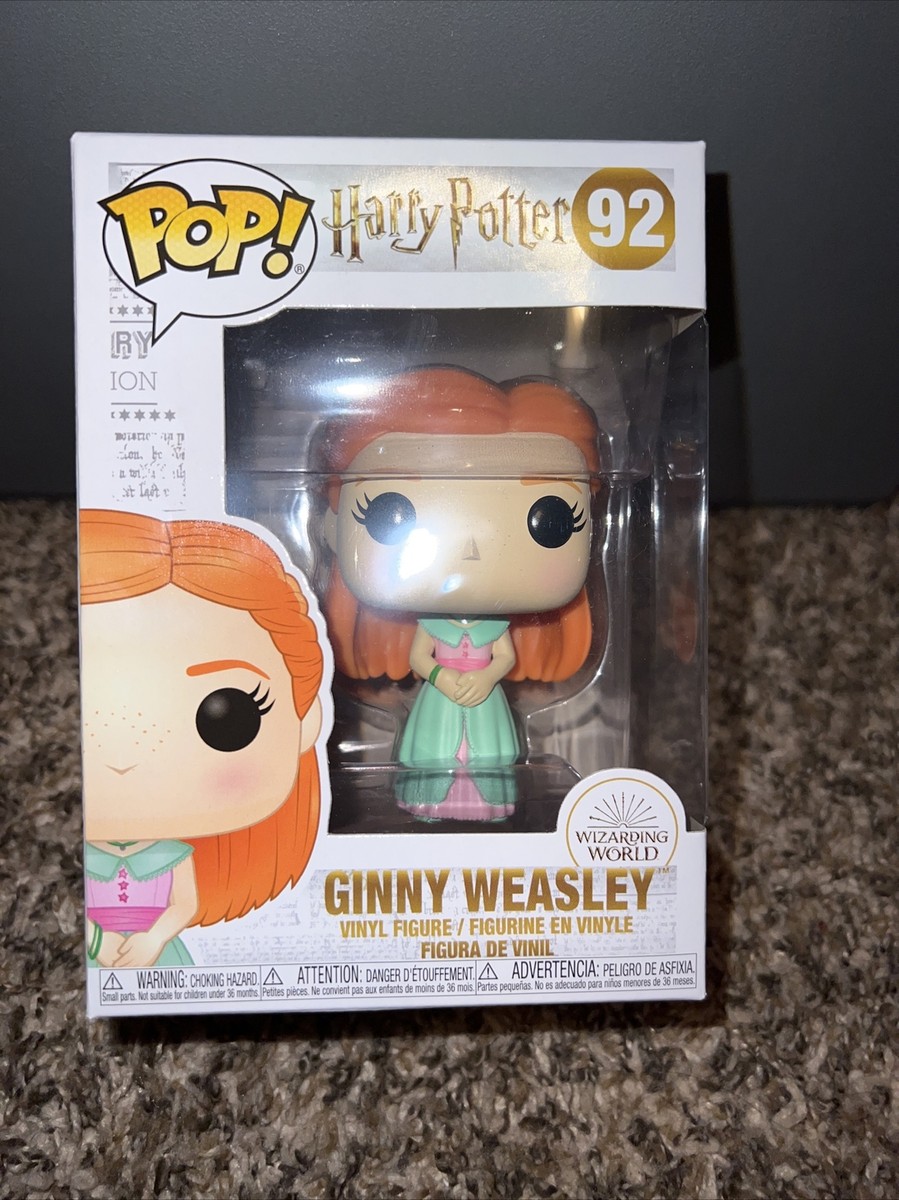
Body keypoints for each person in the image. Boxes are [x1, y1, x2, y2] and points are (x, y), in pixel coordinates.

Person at [322, 366, 600, 815]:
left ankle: (485, 806)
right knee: (434, 749)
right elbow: (419, 658)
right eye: (390, 513)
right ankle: (433, 804)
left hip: (483, 696)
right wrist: (442, 677)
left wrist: (487, 678)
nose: (471, 548)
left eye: (552, 520)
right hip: (441, 694)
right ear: (331, 527)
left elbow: (505, 658)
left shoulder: (496, 626)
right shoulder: (431, 623)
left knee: (491, 752)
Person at [80, 510, 325, 967]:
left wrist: (153, 939)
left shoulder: (172, 856)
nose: (124, 755)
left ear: (306, 718)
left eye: (228, 716)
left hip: (158, 954)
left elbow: (183, 906)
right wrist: (96, 940)